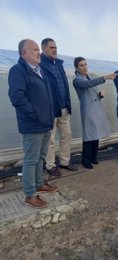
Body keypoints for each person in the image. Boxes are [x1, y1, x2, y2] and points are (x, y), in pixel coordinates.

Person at [8, 39, 58, 208]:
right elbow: (17, 97)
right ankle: (30, 195)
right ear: (24, 53)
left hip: (45, 123)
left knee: (41, 157)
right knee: (31, 159)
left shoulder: (39, 70)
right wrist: (35, 114)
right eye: (35, 49)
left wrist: (48, 116)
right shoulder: (18, 71)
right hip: (33, 124)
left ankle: (39, 183)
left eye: (38, 50)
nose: (39, 52)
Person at [40, 38, 78, 176]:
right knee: (50, 138)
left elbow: (64, 85)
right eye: (51, 47)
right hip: (50, 109)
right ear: (43, 48)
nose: (55, 50)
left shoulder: (59, 64)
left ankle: (65, 161)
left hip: (63, 107)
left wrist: (67, 103)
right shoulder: (40, 65)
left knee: (66, 135)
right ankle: (50, 165)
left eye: (55, 47)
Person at [73, 57, 117, 168]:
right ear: (77, 68)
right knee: (89, 136)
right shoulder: (77, 80)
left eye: (85, 64)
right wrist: (105, 77)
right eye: (81, 65)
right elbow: (88, 85)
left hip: (96, 109)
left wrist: (100, 95)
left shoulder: (88, 77)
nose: (84, 67)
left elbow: (91, 90)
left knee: (95, 134)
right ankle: (85, 160)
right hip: (88, 110)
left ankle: (93, 157)